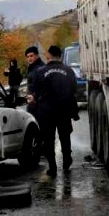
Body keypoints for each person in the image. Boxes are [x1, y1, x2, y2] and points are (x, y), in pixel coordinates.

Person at [32, 45, 79, 176]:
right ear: (60, 55)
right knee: (65, 136)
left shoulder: (40, 71)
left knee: (48, 140)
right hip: (63, 109)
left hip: (46, 111)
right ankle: (67, 161)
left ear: (49, 55)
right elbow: (74, 89)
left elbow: (35, 91)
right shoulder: (68, 70)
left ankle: (52, 167)